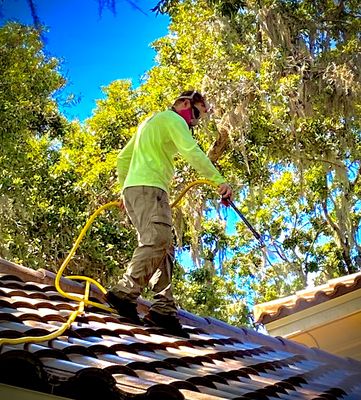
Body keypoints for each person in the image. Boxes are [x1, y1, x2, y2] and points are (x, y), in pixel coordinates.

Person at [106, 90, 232, 337]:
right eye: (196, 113)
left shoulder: (150, 122)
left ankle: (164, 309)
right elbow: (193, 152)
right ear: (184, 103)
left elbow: (123, 158)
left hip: (136, 190)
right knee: (157, 241)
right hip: (151, 187)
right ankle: (124, 293)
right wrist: (219, 181)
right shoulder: (173, 119)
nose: (195, 121)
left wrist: (125, 190)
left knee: (164, 247)